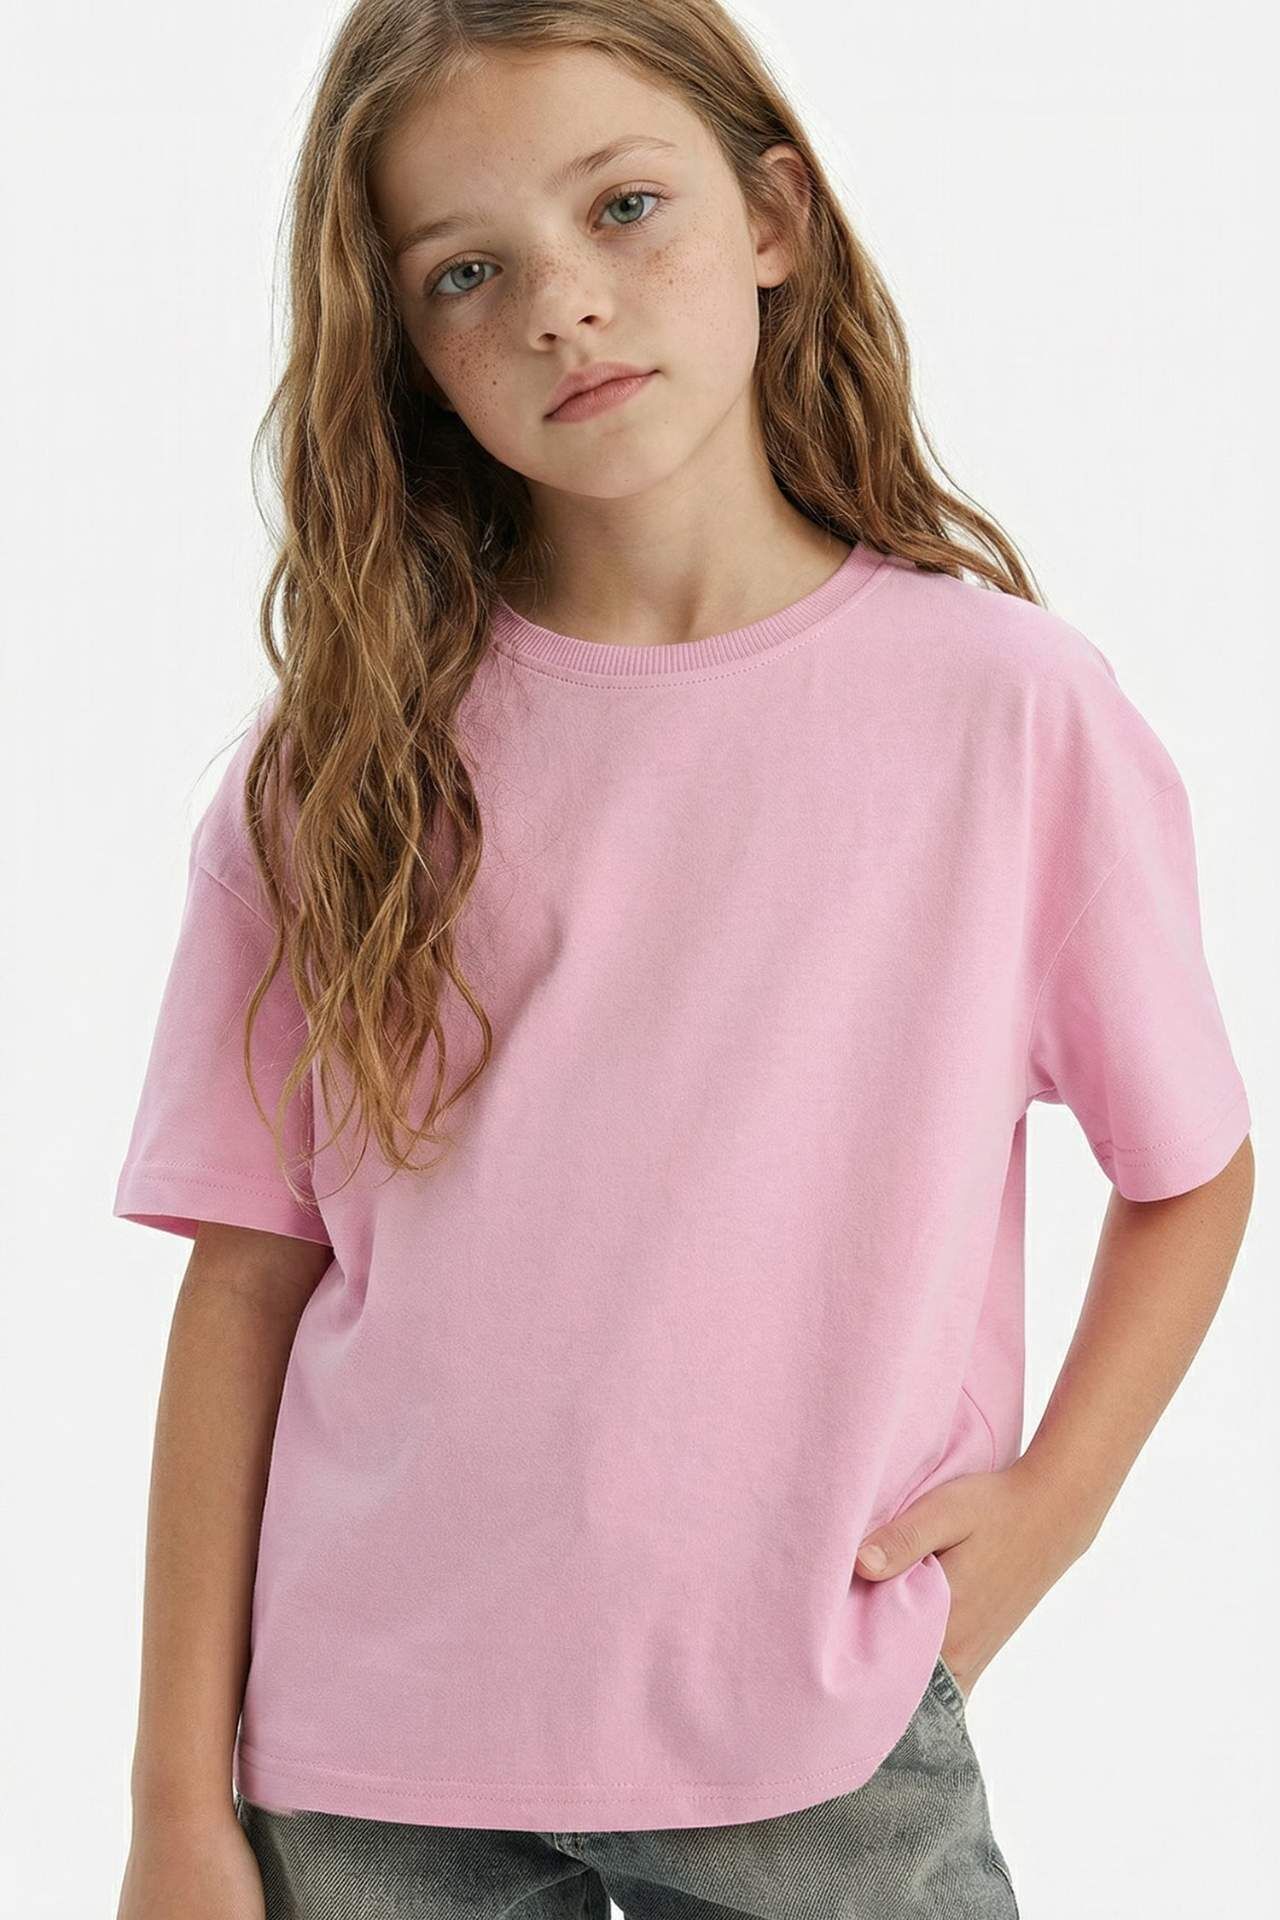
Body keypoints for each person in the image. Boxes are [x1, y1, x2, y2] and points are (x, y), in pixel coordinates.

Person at [112, 2, 1255, 1916]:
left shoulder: (1003, 715)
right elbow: (245, 1285)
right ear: (405, 346)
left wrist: (1048, 1516)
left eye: (624, 208)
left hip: (815, 1739)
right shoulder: (341, 769)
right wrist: (172, 1802)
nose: (563, 303)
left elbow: (1191, 1170)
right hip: (365, 1757)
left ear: (774, 217)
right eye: (466, 270)